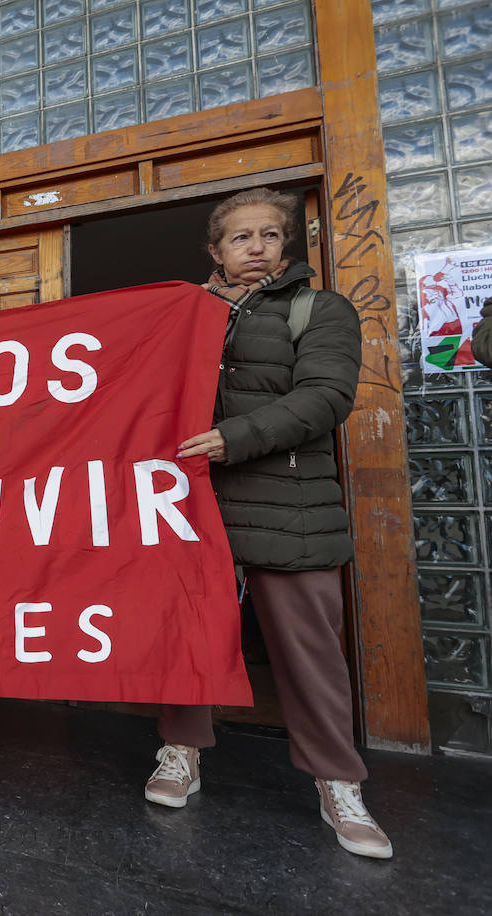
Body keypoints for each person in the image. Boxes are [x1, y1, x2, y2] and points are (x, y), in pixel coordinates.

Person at [143, 188, 392, 860]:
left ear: (286, 246)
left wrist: (231, 437)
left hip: (292, 506)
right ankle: (181, 752)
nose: (256, 247)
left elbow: (327, 397)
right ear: (216, 250)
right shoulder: (182, 314)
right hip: (195, 505)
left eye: (270, 236)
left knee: (309, 655)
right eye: (241, 237)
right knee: (187, 640)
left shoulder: (321, 309)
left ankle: (339, 782)